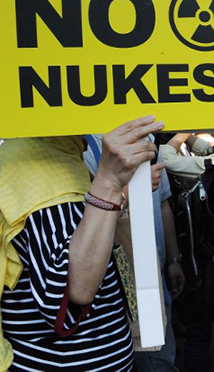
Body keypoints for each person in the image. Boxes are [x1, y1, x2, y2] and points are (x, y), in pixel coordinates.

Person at [0, 116, 163, 370]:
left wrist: (118, 196)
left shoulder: (56, 152)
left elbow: (77, 230)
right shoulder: (37, 163)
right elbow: (74, 289)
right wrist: (108, 182)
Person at [83, 134, 185, 372]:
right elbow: (85, 216)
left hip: (153, 277)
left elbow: (163, 204)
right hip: (114, 281)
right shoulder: (87, 145)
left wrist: (173, 259)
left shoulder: (146, 139)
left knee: (161, 358)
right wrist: (127, 192)